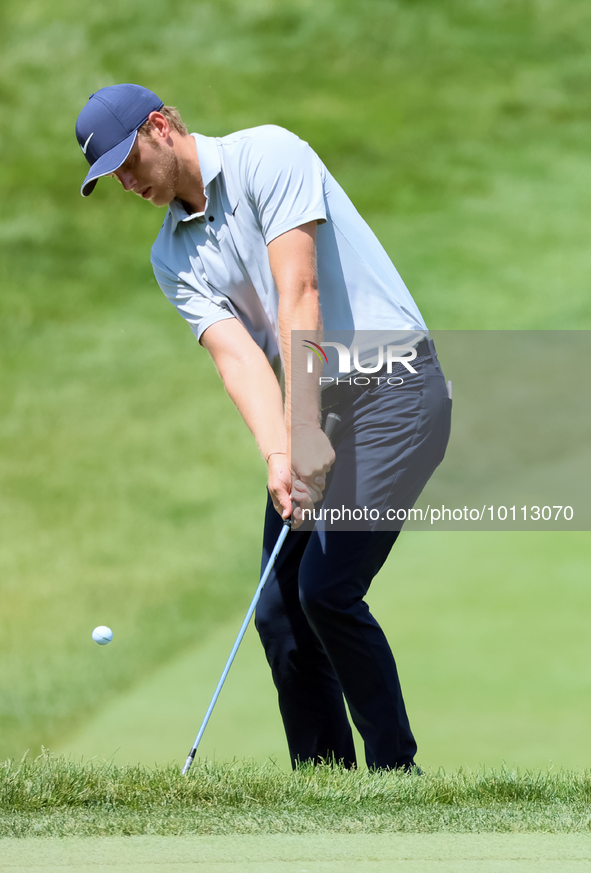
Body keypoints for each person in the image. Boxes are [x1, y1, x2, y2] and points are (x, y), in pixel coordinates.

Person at [75, 83, 451, 771]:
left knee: (326, 592)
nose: (127, 182)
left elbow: (297, 292)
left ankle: (397, 775)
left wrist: (303, 427)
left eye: (128, 162)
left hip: (397, 389)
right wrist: (280, 451)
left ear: (159, 127)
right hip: (316, 407)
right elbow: (238, 359)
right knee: (279, 613)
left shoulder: (268, 155)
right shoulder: (171, 258)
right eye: (112, 178)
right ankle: (323, 789)